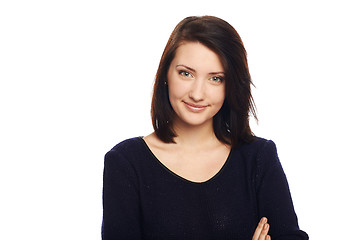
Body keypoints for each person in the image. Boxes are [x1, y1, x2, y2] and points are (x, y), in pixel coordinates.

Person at [102, 16, 308, 240]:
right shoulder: (126, 163)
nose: (197, 94)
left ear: (230, 86)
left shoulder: (258, 158)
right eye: (186, 73)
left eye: (216, 79)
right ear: (165, 75)